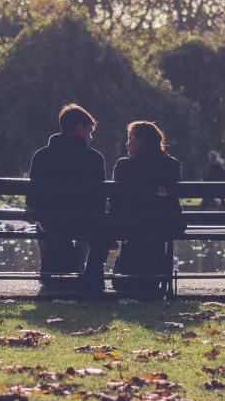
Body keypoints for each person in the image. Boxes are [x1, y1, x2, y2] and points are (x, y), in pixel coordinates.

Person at [27, 104, 110, 292]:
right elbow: (98, 202)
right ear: (80, 128)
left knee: (42, 220)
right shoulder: (95, 158)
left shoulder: (41, 156)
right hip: (84, 222)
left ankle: (51, 270)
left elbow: (32, 200)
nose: (90, 136)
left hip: (51, 222)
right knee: (92, 222)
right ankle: (80, 269)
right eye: (89, 130)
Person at [109, 121, 185, 297]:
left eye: (130, 138)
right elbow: (171, 200)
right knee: (152, 223)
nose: (126, 143)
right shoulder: (172, 165)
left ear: (141, 140)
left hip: (130, 224)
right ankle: (153, 272)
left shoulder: (124, 165)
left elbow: (115, 200)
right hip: (165, 224)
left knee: (131, 222)